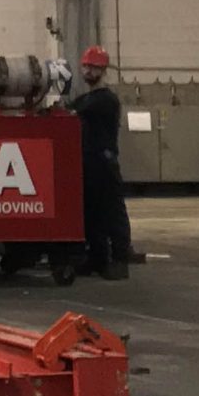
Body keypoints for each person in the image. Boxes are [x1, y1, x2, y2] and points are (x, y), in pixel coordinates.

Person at [64, 46, 135, 279]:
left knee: (112, 213)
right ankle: (97, 259)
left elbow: (77, 109)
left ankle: (120, 260)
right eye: (85, 66)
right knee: (91, 213)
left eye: (92, 67)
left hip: (103, 162)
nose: (87, 70)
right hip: (88, 162)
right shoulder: (88, 98)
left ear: (102, 70)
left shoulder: (105, 100)